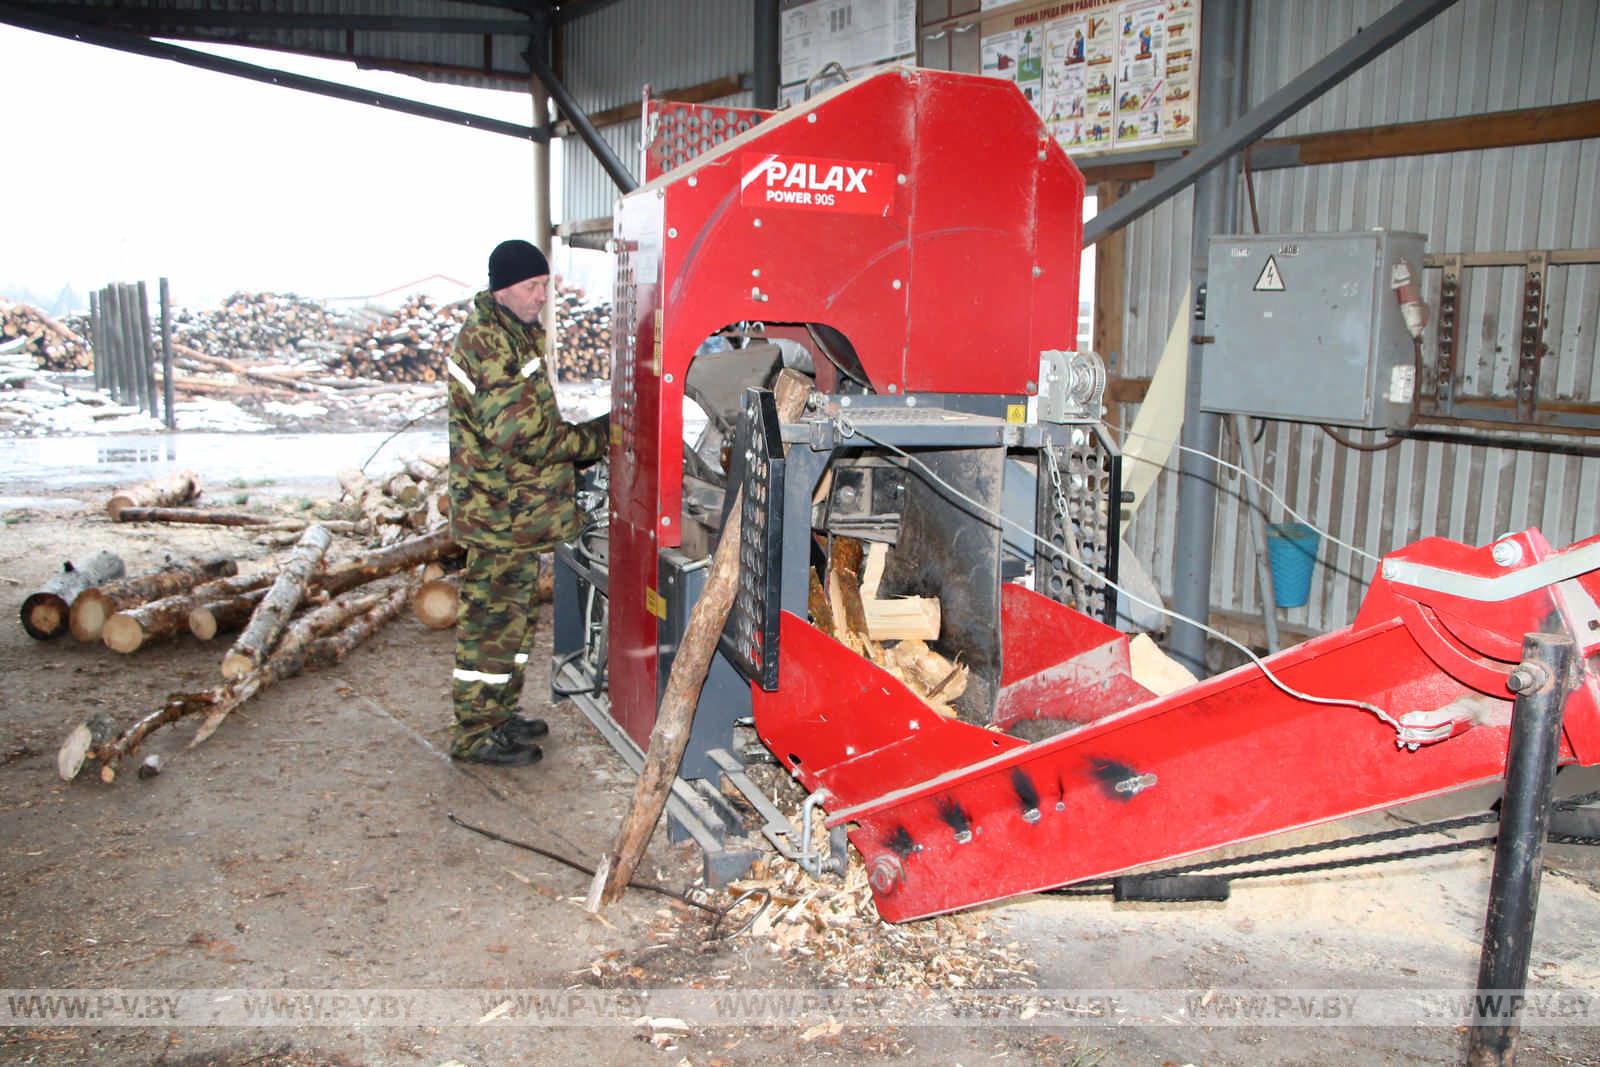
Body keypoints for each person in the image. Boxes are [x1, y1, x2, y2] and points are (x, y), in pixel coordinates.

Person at [446, 238, 609, 765]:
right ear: (503, 289)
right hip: (494, 516)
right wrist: (599, 438)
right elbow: (525, 435)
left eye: (544, 285)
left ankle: (498, 714)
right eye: (532, 286)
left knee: (513, 626)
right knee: (490, 631)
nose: (543, 295)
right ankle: (474, 734)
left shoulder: (516, 333)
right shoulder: (488, 343)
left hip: (513, 515)